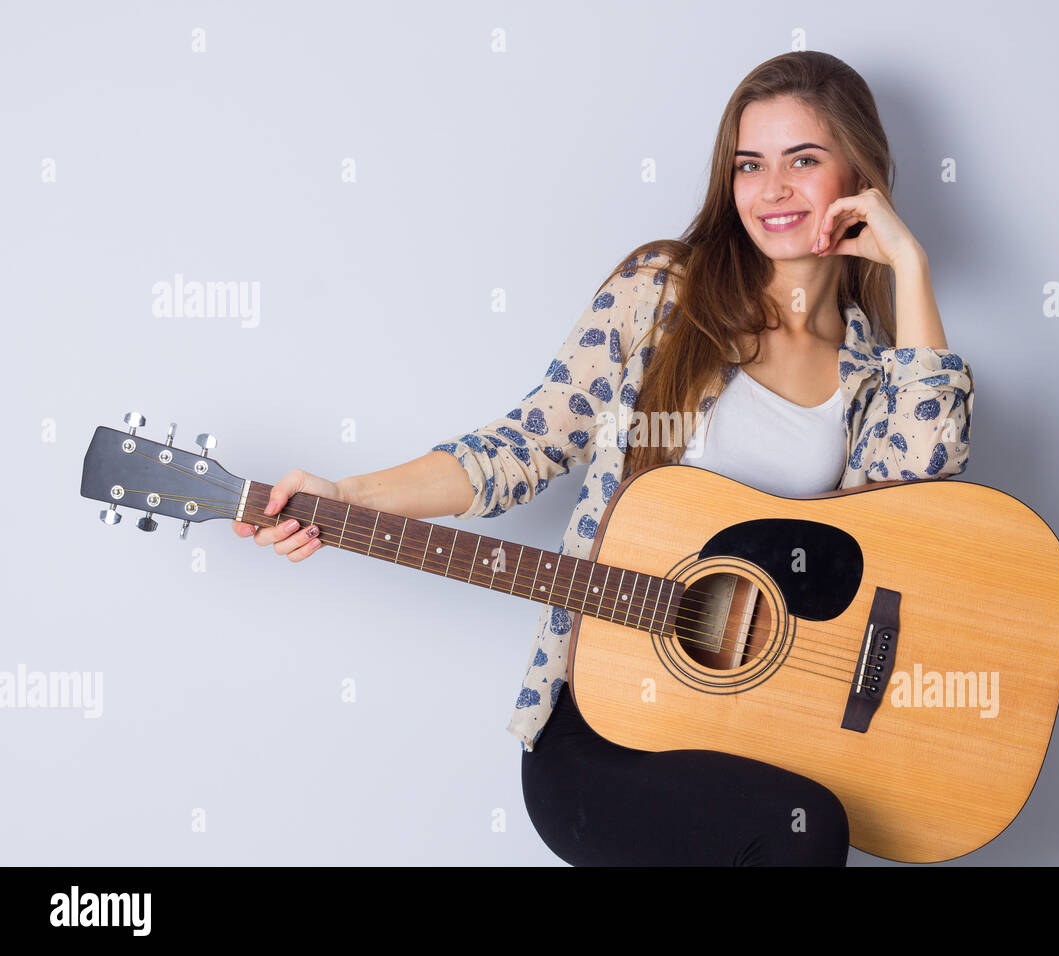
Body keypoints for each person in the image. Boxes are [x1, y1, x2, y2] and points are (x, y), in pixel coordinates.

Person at [231, 50, 974, 866]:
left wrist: (911, 269)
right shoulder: (662, 293)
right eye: (749, 165)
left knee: (805, 819)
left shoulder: (872, 368)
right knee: (808, 833)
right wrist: (346, 496)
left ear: (859, 175)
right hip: (604, 722)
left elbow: (918, 511)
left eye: (804, 160)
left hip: (751, 729)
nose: (772, 191)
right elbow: (527, 443)